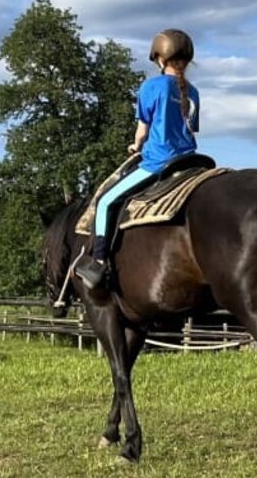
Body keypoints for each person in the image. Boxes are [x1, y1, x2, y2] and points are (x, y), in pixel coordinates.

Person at [73, 28, 200, 289]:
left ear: (160, 59)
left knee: (106, 201)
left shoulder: (152, 86)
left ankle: (97, 263)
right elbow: (189, 128)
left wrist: (135, 145)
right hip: (191, 161)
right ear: (187, 61)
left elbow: (143, 129)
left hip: (159, 161)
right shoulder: (194, 92)